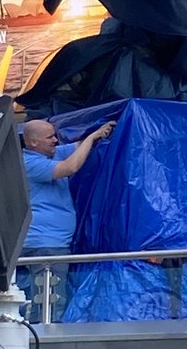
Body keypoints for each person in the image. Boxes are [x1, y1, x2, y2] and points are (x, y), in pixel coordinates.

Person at [19, 118, 116, 321]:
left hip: (51, 244)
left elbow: (77, 149)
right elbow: (70, 167)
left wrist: (99, 133)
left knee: (47, 297)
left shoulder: (49, 156)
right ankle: (43, 342)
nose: (56, 140)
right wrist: (91, 136)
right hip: (45, 245)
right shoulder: (30, 163)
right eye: (50, 137)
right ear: (33, 143)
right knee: (49, 300)